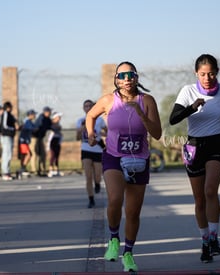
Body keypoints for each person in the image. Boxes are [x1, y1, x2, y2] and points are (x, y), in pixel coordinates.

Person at [169, 54, 220, 263]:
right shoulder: (188, 91)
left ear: (217, 72)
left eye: (211, 73)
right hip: (195, 146)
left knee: (210, 190)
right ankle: (204, 242)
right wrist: (191, 107)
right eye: (203, 74)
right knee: (199, 199)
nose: (207, 77)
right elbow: (173, 118)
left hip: (218, 145)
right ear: (196, 73)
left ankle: (214, 238)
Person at [85, 61, 162, 272]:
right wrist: (91, 133)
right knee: (115, 199)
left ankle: (128, 254)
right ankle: (113, 239)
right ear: (116, 79)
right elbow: (90, 115)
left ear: (136, 77)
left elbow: (157, 133)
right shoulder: (108, 100)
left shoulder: (147, 101)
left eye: (131, 74)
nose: (127, 79)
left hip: (139, 159)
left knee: (133, 211)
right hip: (113, 156)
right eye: (122, 75)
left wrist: (141, 113)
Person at [76, 99, 107, 208]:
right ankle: (91, 199)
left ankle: (97, 183)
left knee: (98, 175)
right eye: (86, 106)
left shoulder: (99, 120)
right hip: (86, 149)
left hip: (97, 149)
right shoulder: (80, 121)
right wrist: (81, 130)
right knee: (88, 176)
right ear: (83, 108)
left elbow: (107, 132)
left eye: (90, 106)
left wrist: (101, 132)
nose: (88, 108)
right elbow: (77, 138)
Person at [0, 101, 18, 181]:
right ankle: (5, 172)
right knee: (6, 154)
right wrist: (13, 129)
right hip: (6, 136)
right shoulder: (5, 114)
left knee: (9, 154)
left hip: (10, 136)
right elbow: (4, 126)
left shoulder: (10, 115)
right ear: (7, 107)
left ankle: (7, 171)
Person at [33, 106, 52, 176]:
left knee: (43, 155)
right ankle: (34, 170)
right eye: (49, 111)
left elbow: (50, 126)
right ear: (45, 112)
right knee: (35, 154)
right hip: (37, 138)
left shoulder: (48, 119)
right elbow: (37, 127)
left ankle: (42, 169)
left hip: (42, 138)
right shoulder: (41, 118)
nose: (50, 113)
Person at [18, 109, 37, 175]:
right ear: (30, 115)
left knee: (24, 155)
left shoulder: (28, 121)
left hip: (24, 141)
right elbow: (33, 129)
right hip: (23, 141)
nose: (35, 115)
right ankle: (22, 168)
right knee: (29, 154)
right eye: (34, 114)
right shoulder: (28, 122)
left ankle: (23, 168)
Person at [47, 112, 63, 178]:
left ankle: (56, 170)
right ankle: (50, 170)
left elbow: (60, 134)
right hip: (52, 142)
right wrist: (48, 146)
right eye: (58, 117)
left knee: (57, 156)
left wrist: (60, 141)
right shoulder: (51, 125)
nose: (59, 118)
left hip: (57, 141)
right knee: (52, 156)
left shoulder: (58, 125)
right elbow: (50, 135)